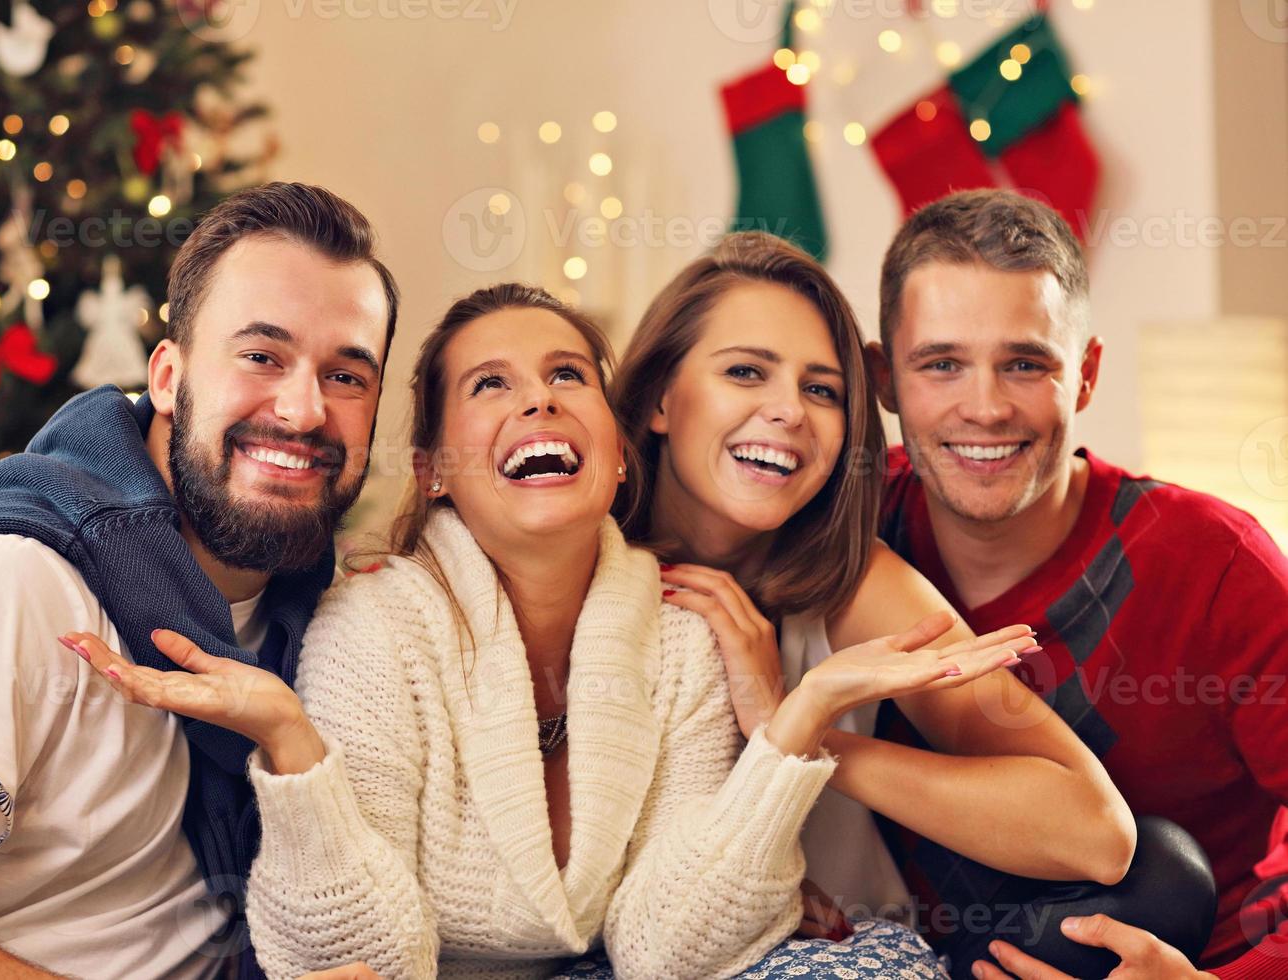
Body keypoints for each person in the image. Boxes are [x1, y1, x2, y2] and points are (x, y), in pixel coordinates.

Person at [65, 282, 1040, 979]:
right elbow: (364, 965)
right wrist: (291, 743)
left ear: (617, 455)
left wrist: (796, 729)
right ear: (436, 467)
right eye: (491, 384)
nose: (538, 397)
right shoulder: (372, 629)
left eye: (567, 373)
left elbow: (666, 952)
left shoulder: (678, 634)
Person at [0, 182, 398, 978]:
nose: (303, 410)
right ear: (166, 377)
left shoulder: (327, 614)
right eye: (261, 356)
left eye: (346, 376)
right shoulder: (7, 580)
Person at [608, 230, 1213, 978]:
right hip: (661, 941)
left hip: (852, 957)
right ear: (660, 398)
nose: (789, 411)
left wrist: (794, 732)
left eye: (821, 389)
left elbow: (1096, 832)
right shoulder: (584, 560)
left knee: (1167, 873)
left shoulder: (851, 578)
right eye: (745, 372)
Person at [868, 188, 1288, 978]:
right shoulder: (846, 536)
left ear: (1086, 375)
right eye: (943, 364)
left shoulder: (1219, 564)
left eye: (1025, 364)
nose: (985, 407)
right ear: (885, 379)